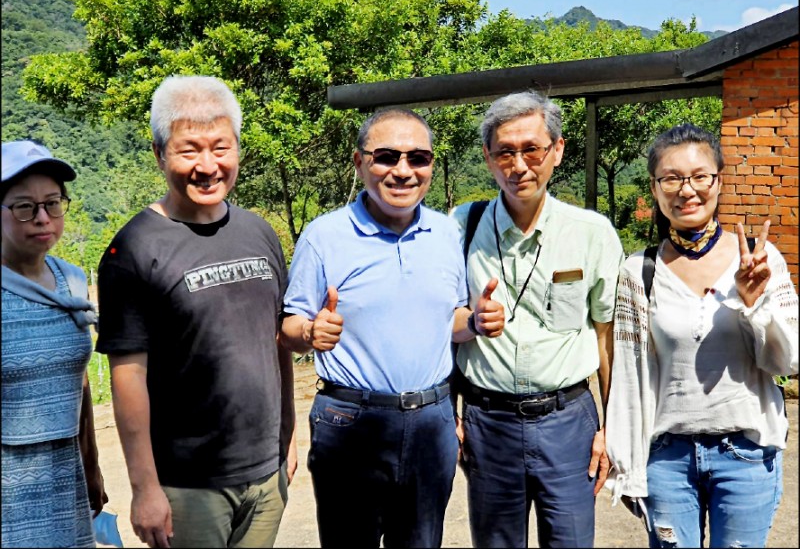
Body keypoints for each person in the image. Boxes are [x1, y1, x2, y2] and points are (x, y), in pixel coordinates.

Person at [281, 108, 505, 548]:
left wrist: (475, 322)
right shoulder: (323, 236)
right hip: (350, 422)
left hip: (430, 421)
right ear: (359, 162)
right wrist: (309, 334)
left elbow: (450, 321)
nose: (403, 171)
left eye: (417, 158)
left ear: (431, 166)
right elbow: (288, 327)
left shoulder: (444, 234)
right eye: (386, 156)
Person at [95, 75, 295, 548]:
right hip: (188, 485)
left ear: (238, 148)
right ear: (159, 153)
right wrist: (145, 488)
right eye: (189, 151)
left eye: (221, 148)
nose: (208, 166)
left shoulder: (258, 232)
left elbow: (277, 339)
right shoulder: (134, 249)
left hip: (267, 475)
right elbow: (127, 378)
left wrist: (288, 433)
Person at [605, 123, 799, 548]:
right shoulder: (639, 271)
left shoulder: (761, 259)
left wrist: (752, 303)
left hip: (746, 457)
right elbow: (631, 378)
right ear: (655, 189)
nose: (686, 190)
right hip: (669, 459)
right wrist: (630, 466)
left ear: (719, 181)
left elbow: (788, 361)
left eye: (699, 177)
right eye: (671, 178)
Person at [450, 90, 624, 548]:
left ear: (558, 151)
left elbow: (607, 337)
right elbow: (440, 326)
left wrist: (610, 428)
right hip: (489, 422)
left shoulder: (592, 234)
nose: (519, 164)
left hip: (569, 422)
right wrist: (451, 411)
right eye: (505, 151)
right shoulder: (460, 228)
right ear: (488, 158)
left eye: (532, 149)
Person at [2, 140, 108, 547]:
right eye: (25, 207)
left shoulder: (72, 281)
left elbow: (80, 382)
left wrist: (93, 466)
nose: (42, 218)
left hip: (64, 472)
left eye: (52, 203)